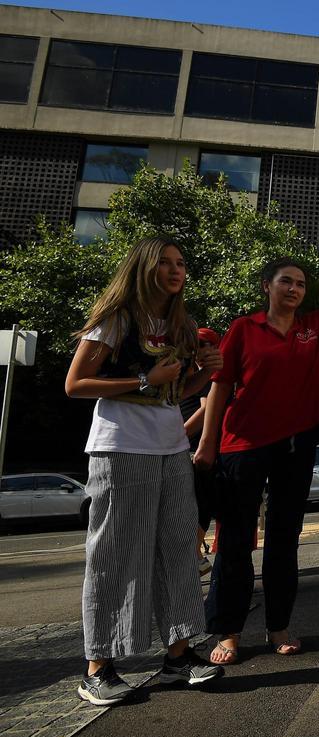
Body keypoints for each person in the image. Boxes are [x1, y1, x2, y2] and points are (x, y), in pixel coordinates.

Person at [195, 215, 319, 664]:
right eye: (285, 281)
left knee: (285, 540)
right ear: (267, 286)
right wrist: (208, 444)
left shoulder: (314, 327)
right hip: (242, 446)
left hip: (296, 446)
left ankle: (278, 625)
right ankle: (227, 631)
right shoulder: (244, 330)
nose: (294, 289)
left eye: (300, 284)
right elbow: (220, 387)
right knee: (235, 541)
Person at [65, 236, 225, 705]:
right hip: (120, 447)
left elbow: (174, 394)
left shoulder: (182, 324)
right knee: (116, 553)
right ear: (145, 267)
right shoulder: (118, 319)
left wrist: (206, 374)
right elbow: (76, 384)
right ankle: (98, 667)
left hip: (171, 446)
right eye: (166, 263)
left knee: (178, 549)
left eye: (181, 263)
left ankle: (178, 657)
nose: (177, 271)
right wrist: (143, 379)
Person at [181, 326, 221, 576]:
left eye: (209, 344)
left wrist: (182, 432)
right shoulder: (189, 372)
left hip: (195, 449)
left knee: (200, 501)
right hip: (185, 447)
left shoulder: (209, 375)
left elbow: (207, 409)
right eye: (199, 344)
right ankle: (193, 554)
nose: (204, 350)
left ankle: (194, 553)